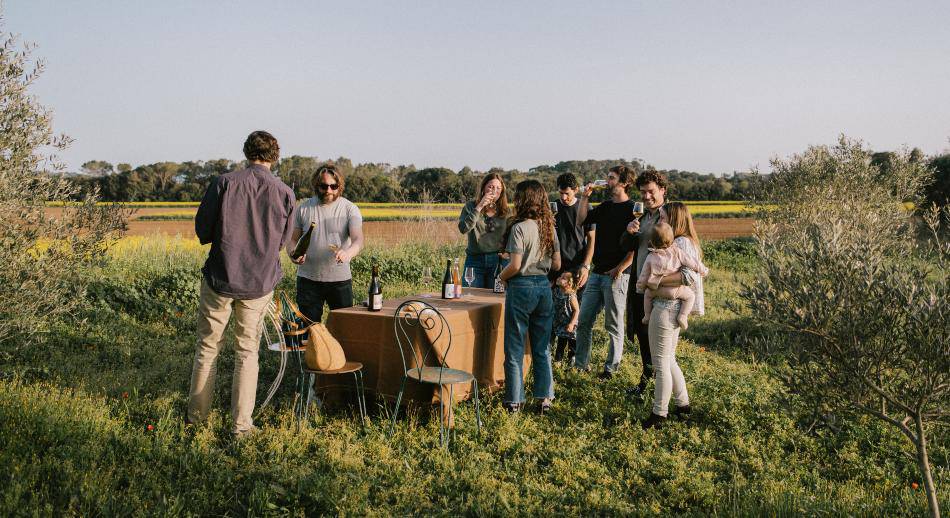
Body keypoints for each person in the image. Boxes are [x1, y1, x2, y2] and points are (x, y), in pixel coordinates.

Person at [188, 130, 296, 438]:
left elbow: (203, 231)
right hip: (259, 283)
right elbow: (281, 242)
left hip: (220, 278)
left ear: (246, 152)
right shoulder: (285, 192)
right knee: (247, 353)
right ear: (274, 156)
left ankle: (196, 422)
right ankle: (240, 426)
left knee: (207, 349)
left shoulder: (224, 183)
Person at [640, 201, 706, 430]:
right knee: (668, 359)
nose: (659, 222)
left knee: (660, 363)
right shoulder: (678, 243)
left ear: (674, 220)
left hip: (667, 306)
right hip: (670, 305)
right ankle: (683, 404)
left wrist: (652, 282)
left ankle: (659, 413)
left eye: (663, 217)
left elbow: (688, 277)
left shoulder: (679, 243)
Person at [498, 180, 560, 413]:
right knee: (541, 347)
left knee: (514, 346)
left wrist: (501, 278)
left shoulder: (520, 228)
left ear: (523, 199)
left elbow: (514, 265)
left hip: (521, 287)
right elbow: (557, 263)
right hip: (543, 288)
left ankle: (514, 400)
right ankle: (545, 398)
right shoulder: (548, 227)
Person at [572, 165, 637, 379]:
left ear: (624, 182)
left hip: (617, 275)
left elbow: (635, 246)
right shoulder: (605, 206)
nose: (607, 181)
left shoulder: (632, 208)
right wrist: (584, 197)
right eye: (608, 178)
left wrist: (620, 268)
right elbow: (581, 220)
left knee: (613, 324)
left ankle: (611, 369)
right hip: (597, 273)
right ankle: (581, 365)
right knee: (584, 321)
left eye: (611, 178)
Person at [289, 163, 364, 323]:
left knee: (343, 329)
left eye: (333, 186)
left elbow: (358, 240)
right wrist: (292, 254)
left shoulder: (350, 209)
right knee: (310, 331)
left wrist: (347, 253)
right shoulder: (303, 209)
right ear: (317, 185)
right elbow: (292, 240)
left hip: (339, 281)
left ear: (339, 186)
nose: (329, 190)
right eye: (324, 186)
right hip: (308, 280)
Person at [619, 169, 670, 397]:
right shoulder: (643, 217)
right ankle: (646, 381)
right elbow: (626, 247)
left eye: (651, 191)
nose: (647, 197)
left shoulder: (668, 216)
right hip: (640, 286)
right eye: (643, 193)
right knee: (643, 336)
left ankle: (660, 388)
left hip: (660, 289)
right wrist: (629, 233)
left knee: (659, 342)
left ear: (662, 190)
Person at [636, 222, 708, 331]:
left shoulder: (650, 257)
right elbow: (692, 263)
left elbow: (644, 275)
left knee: (647, 295)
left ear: (652, 242)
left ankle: (647, 315)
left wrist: (640, 288)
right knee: (690, 296)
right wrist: (703, 270)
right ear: (672, 239)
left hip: (656, 290)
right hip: (676, 290)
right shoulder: (677, 252)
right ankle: (683, 316)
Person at [458, 173, 510, 288]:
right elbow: (463, 229)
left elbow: (512, 234)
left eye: (498, 188)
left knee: (496, 299)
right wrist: (480, 206)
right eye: (490, 187)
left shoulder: (506, 211)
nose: (494, 191)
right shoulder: (471, 206)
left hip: (498, 262)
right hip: (474, 260)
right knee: (470, 298)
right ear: (483, 188)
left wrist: (507, 253)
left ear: (502, 191)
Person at [551, 271, 580, 363]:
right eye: (560, 276)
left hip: (570, 323)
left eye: (563, 278)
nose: (559, 278)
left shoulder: (570, 296)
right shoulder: (555, 292)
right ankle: (558, 361)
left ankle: (572, 360)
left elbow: (576, 310)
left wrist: (571, 324)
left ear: (569, 284)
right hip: (560, 323)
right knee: (561, 343)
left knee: (572, 343)